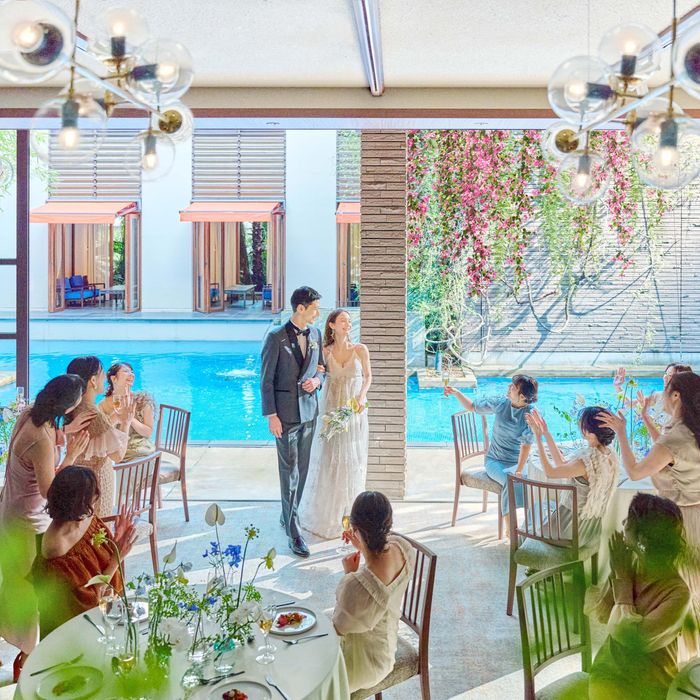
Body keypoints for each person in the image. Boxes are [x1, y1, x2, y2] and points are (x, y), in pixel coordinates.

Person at [598, 370, 700, 659]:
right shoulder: (691, 431)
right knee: (692, 588)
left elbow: (635, 471)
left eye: (666, 390)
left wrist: (621, 432)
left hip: (678, 520)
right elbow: (665, 451)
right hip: (697, 514)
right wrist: (644, 417)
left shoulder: (675, 438)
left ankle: (680, 656)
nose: (662, 395)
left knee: (678, 588)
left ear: (676, 396)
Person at [0, 374, 90, 680]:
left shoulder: (32, 414)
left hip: (11, 509)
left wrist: (67, 433)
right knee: (28, 590)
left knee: (14, 585)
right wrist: (72, 456)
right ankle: (26, 659)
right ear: (67, 406)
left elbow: (48, 438)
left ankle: (19, 648)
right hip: (26, 522)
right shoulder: (40, 437)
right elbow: (50, 490)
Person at [587, 494, 690, 700]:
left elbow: (632, 639)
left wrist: (622, 579)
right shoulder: (628, 565)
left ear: (643, 538)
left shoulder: (678, 593)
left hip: (648, 684)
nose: (623, 524)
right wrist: (616, 572)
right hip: (608, 672)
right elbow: (602, 615)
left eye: (628, 521)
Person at [31, 466, 136, 639]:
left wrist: (115, 540)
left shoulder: (84, 517)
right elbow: (87, 602)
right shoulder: (57, 546)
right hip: (74, 633)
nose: (94, 501)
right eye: (91, 498)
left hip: (105, 614)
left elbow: (101, 563)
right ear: (77, 502)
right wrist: (117, 558)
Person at [260, 286, 324, 557]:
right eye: (314, 308)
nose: (317, 313)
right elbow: (266, 380)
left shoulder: (316, 334)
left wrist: (317, 381)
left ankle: (288, 514)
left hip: (309, 412)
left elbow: (322, 369)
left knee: (303, 468)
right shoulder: (275, 338)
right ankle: (294, 533)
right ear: (300, 308)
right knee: (289, 472)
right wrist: (271, 416)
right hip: (284, 416)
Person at [332, 491, 416, 693]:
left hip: (362, 665)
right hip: (386, 648)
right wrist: (363, 545)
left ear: (355, 529)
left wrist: (349, 573)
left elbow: (338, 628)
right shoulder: (403, 548)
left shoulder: (357, 586)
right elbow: (379, 566)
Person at [299, 309, 371, 539]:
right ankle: (329, 513)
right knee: (330, 458)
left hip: (352, 409)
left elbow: (368, 377)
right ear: (331, 325)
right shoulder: (324, 351)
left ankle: (352, 515)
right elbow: (317, 375)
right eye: (342, 321)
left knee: (351, 458)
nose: (347, 324)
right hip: (330, 410)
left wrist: (361, 397)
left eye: (349, 321)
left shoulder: (360, 349)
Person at [445, 375, 537, 531]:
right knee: (510, 482)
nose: (509, 387)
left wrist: (519, 470)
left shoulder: (531, 415)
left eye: (513, 387)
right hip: (495, 461)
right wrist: (456, 393)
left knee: (534, 482)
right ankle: (511, 530)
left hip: (518, 462)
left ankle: (531, 527)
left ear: (522, 396)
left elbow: (526, 445)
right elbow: (473, 407)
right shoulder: (501, 403)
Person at [526, 406, 619, 547]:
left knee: (532, 515)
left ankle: (529, 556)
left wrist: (538, 438)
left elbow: (550, 472)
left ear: (589, 433)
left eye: (582, 423)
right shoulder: (609, 456)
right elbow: (562, 464)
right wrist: (546, 433)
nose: (579, 424)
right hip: (590, 531)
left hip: (569, 531)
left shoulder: (586, 461)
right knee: (543, 508)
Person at [66, 356, 133, 518]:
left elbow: (96, 435)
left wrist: (115, 418)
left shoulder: (73, 408)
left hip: (76, 479)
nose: (105, 378)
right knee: (98, 527)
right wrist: (126, 423)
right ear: (93, 381)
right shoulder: (94, 413)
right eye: (102, 374)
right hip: (97, 482)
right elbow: (118, 456)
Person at [99, 362, 156, 461]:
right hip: (114, 452)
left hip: (139, 454)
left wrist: (129, 417)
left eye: (132, 372)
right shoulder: (103, 404)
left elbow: (148, 433)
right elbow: (101, 432)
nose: (132, 374)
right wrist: (117, 415)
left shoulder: (143, 400)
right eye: (126, 371)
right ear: (114, 379)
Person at [634, 363, 693, 442]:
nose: (665, 378)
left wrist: (646, 416)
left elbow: (665, 436)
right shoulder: (658, 395)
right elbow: (629, 403)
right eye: (665, 374)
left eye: (670, 376)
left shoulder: (686, 409)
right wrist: (618, 387)